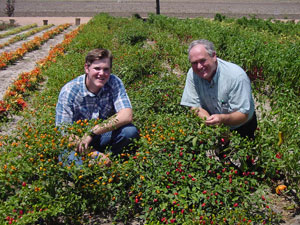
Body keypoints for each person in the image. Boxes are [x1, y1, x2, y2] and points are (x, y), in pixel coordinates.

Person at [55, 48, 139, 166]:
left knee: (129, 132)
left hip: (101, 134)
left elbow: (126, 115)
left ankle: (113, 162)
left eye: (106, 69)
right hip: (76, 140)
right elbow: (63, 132)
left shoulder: (114, 82)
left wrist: (92, 132)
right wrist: (92, 153)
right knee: (77, 169)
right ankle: (99, 162)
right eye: (97, 68)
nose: (102, 73)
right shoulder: (70, 91)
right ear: (87, 68)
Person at [181, 39, 257, 140]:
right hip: (215, 123)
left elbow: (243, 114)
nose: (199, 66)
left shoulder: (236, 76)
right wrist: (211, 123)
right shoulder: (193, 74)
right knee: (221, 153)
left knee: (242, 153)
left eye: (203, 60)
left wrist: (222, 119)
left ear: (213, 56)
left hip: (241, 125)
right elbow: (194, 106)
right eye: (194, 63)